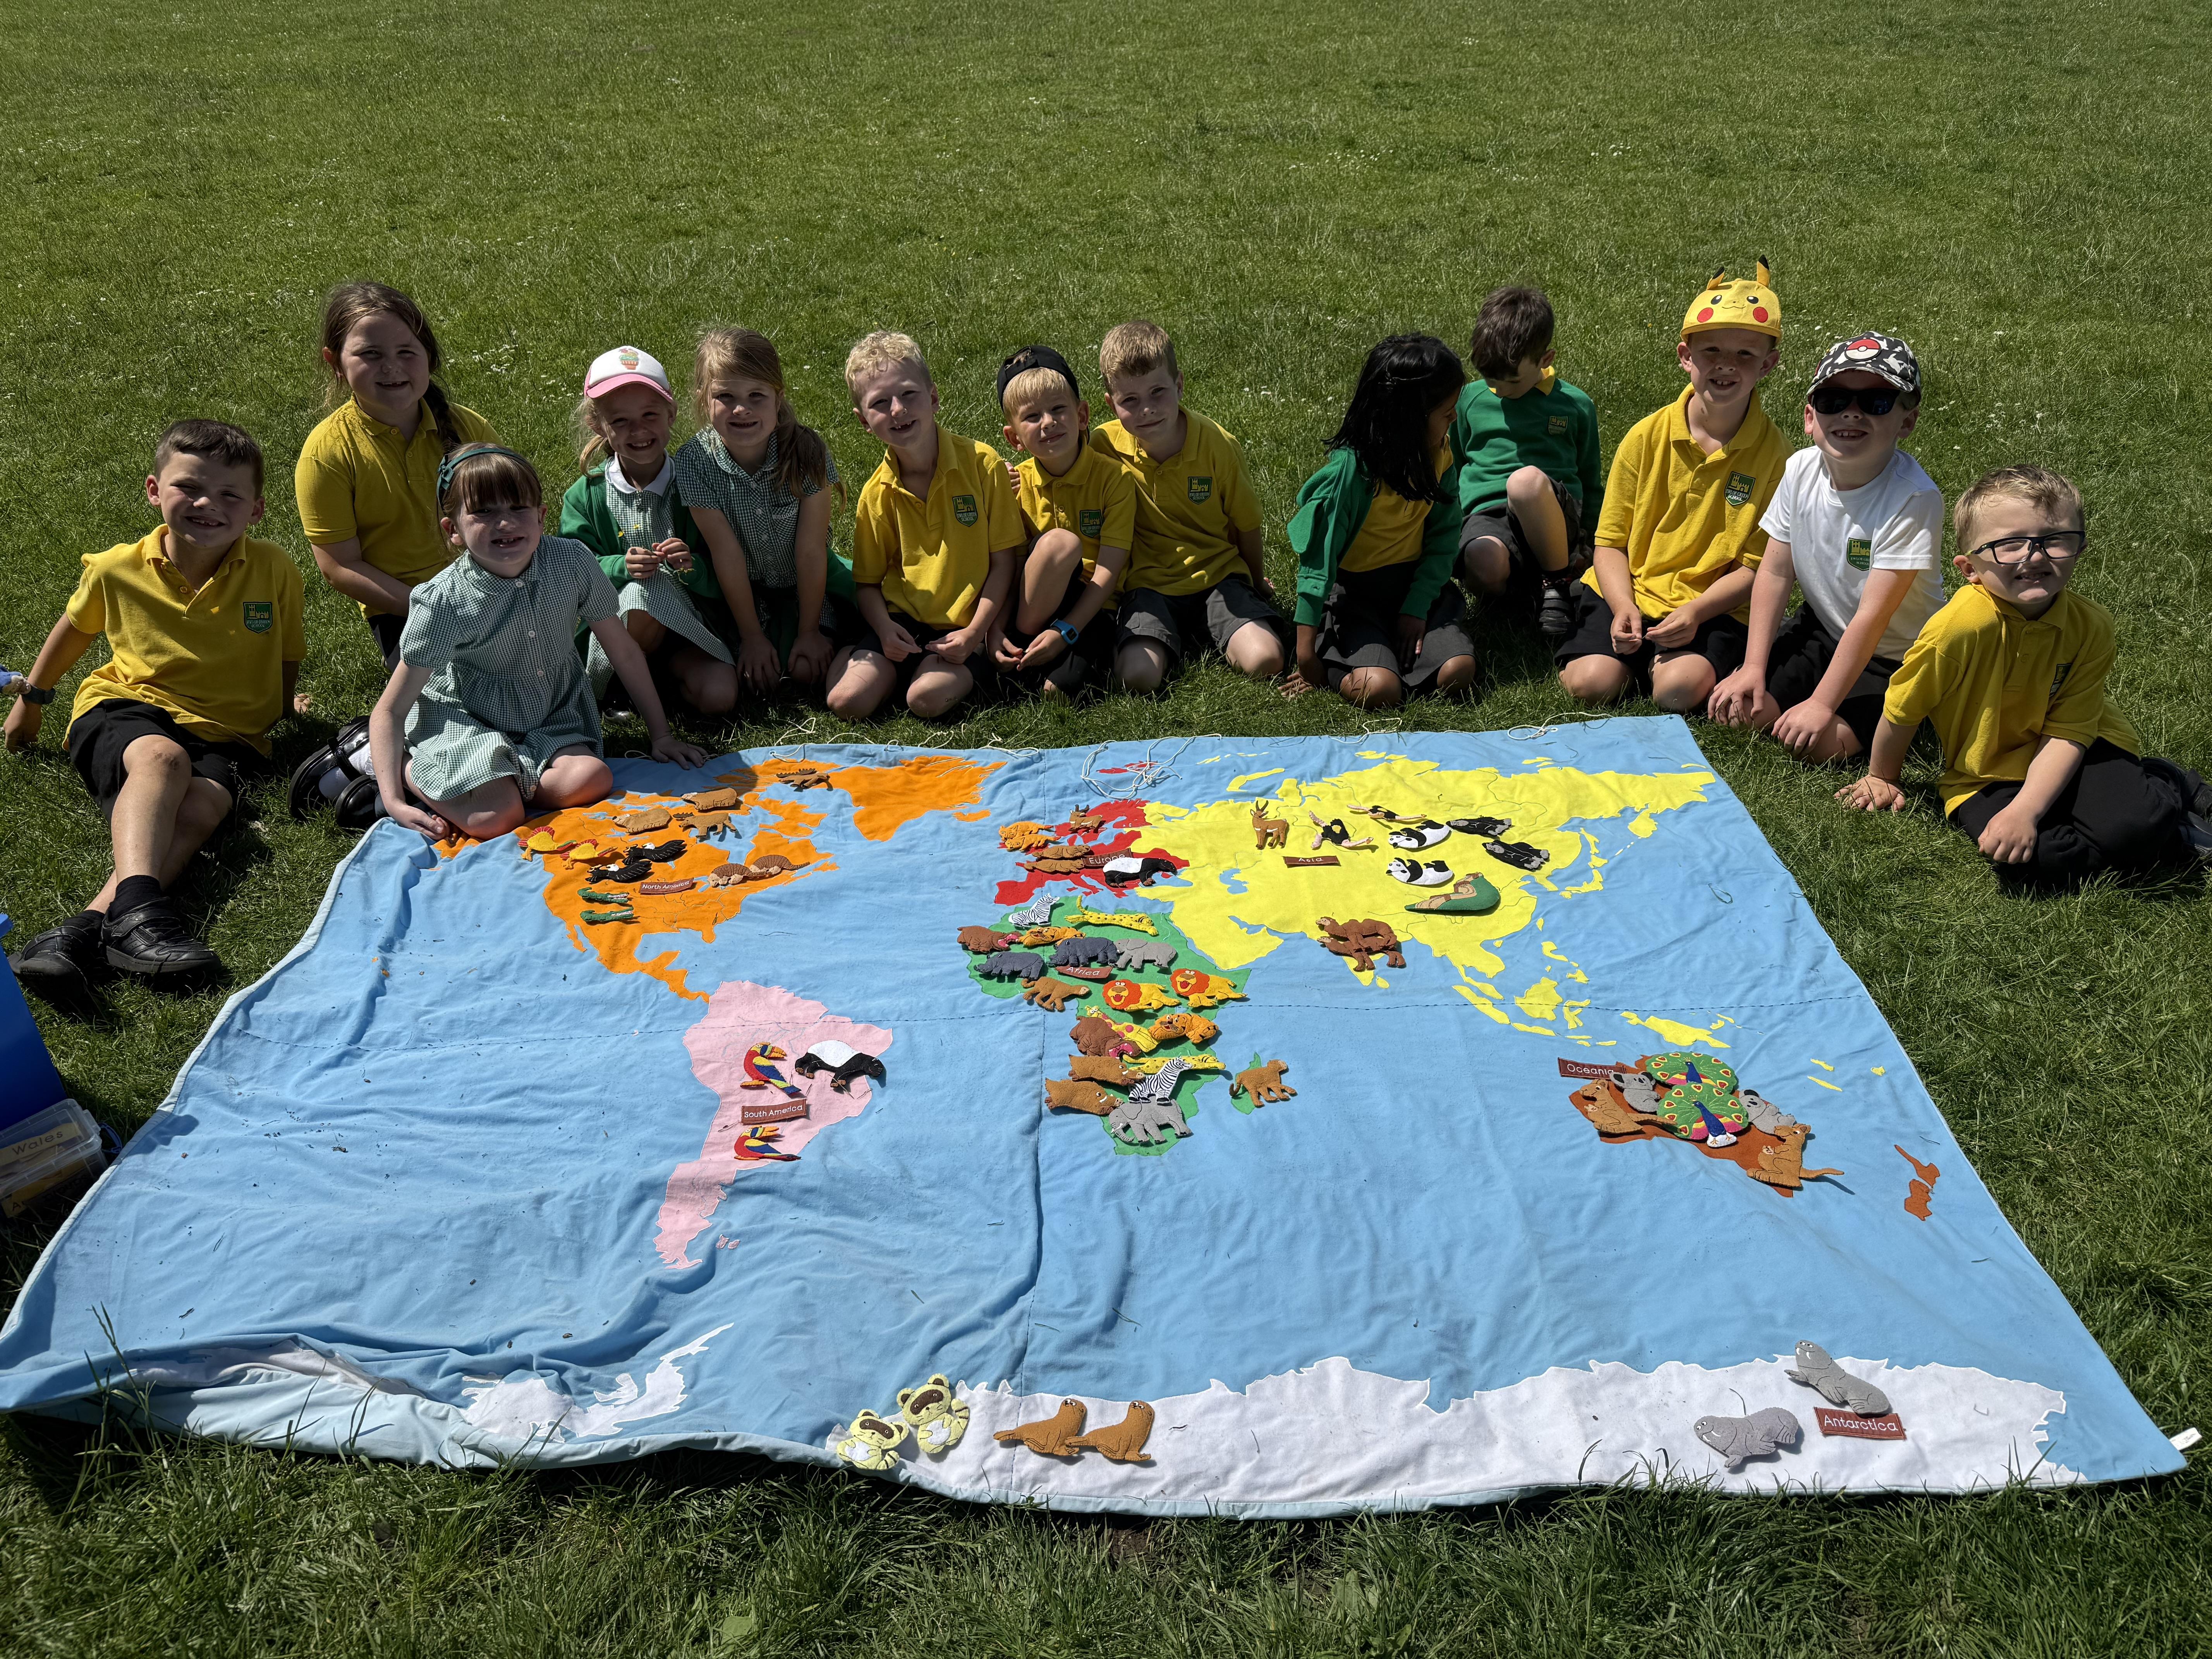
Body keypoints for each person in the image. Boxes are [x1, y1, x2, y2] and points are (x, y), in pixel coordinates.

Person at [4, 422, 305, 994]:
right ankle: (144, 914)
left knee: (203, 808)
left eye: (229, 495)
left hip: (227, 733)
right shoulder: (116, 568)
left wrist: (285, 705)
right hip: (127, 705)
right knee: (163, 760)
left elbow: (287, 650)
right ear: (153, 490)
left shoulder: (274, 569)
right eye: (189, 487)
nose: (207, 504)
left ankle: (82, 931)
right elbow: (74, 629)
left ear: (257, 510)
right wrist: (33, 700)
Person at [1839, 465, 2210, 889]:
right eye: (2009, 544)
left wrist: (2026, 810)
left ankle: (2169, 783)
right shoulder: (1957, 629)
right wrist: (1883, 776)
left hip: (2082, 748)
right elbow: (1903, 708)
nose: (2034, 556)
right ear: (1969, 568)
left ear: (2080, 548)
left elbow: (2070, 731)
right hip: (1984, 772)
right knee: (2035, 863)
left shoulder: (2091, 626)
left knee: (2133, 829)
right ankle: (2148, 832)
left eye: (2055, 540)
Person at [368, 445, 704, 842]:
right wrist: (394, 799)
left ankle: (506, 779)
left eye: (518, 508)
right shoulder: (443, 600)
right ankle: (406, 765)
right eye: (484, 512)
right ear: (452, 530)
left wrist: (661, 736)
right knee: (496, 819)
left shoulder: (573, 563)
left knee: (593, 778)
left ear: (542, 517)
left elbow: (625, 651)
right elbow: (390, 709)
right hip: (470, 720)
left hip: (551, 715)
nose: (505, 523)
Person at [1557, 261, 1789, 712]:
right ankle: (1626, 657)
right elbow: (1610, 544)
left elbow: (1756, 569)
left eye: (1746, 354)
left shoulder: (1778, 458)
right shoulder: (1646, 436)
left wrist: (1697, 613)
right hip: (1629, 590)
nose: (1726, 365)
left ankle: (1658, 666)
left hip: (1712, 607)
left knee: (1677, 691)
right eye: (1711, 350)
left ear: (1768, 364)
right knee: (1591, 684)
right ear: (1686, 356)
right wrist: (1623, 606)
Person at [1709, 333, 1945, 762]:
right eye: (1833, 400)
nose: (1851, 412)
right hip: (1821, 629)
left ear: (1906, 422)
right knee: (1739, 712)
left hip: (1895, 656)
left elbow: (1874, 616)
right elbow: (1776, 572)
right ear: (1810, 417)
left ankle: (1921, 709)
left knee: (1817, 746)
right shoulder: (1800, 469)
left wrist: (1821, 704)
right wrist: (1753, 667)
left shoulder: (1914, 498)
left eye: (1876, 402)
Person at [295, 282, 496, 668]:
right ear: (335, 363)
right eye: (370, 354)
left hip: (490, 580)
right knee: (451, 689)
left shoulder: (469, 428)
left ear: (429, 357)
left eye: (407, 352)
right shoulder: (327, 453)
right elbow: (340, 566)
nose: (391, 367)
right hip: (401, 606)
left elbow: (514, 511)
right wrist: (432, 607)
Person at [827, 331, 1022, 720]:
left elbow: (1005, 563)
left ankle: (922, 674)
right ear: (864, 421)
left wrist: (975, 633)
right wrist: (885, 630)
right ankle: (860, 655)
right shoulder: (876, 494)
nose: (898, 410)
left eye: (908, 394)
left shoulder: (982, 465)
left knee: (925, 700)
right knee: (845, 702)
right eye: (880, 403)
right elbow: (867, 585)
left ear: (933, 398)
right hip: (902, 624)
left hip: (966, 625)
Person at [1090, 320, 1286, 692]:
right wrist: (1012, 476)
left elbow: (1246, 523)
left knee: (1266, 660)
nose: (1147, 410)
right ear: (1111, 404)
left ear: (1179, 385)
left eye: (1158, 392)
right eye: (1130, 400)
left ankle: (1216, 626)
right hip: (1148, 584)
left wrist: (1257, 581)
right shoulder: (1103, 445)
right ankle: (1160, 636)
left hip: (1217, 576)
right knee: (1137, 678)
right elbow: (1061, 470)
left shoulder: (1217, 444)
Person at [1284, 335, 1478, 708]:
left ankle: (1395, 654)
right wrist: (1307, 658)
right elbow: (1317, 565)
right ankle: (1358, 661)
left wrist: (1416, 607)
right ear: (1410, 418)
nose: (1455, 418)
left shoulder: (1440, 455)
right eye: (1447, 412)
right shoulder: (1349, 475)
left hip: (1416, 588)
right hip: (1356, 599)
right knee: (1379, 690)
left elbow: (1443, 537)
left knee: (1458, 671)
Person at [671, 326, 848, 700]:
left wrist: (809, 632)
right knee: (757, 680)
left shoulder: (807, 452)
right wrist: (751, 636)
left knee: (806, 670)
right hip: (740, 594)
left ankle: (825, 634)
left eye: (757, 395)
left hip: (804, 587)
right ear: (704, 398)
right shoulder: (694, 462)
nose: (742, 409)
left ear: (778, 398)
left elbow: (812, 551)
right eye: (726, 396)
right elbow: (726, 554)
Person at [558, 344, 736, 714]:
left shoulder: (696, 483)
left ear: (671, 413)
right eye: (620, 421)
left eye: (650, 415)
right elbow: (570, 570)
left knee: (719, 696)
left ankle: (660, 681)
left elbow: (730, 563)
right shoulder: (585, 495)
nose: (638, 430)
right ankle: (621, 683)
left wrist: (692, 566)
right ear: (598, 425)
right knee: (643, 594)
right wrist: (620, 566)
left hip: (691, 628)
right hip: (621, 631)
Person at [1450, 287, 1605, 639]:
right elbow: (1457, 466)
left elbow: (1590, 478)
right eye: (1490, 379)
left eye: (1512, 381)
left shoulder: (1575, 405)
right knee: (1483, 562)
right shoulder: (1469, 400)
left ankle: (1557, 583)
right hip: (1488, 514)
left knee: (1525, 483)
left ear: (1546, 359)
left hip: (1552, 513)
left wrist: (1595, 544)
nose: (1500, 389)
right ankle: (1528, 593)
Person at [990, 345, 1132, 698]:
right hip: (1032, 603)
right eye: (1032, 417)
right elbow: (1011, 565)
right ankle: (1021, 644)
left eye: (1058, 409)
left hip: (1094, 606)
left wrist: (1066, 632)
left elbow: (1108, 572)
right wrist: (996, 629)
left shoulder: (1115, 479)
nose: (1048, 422)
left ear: (1082, 415)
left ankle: (1041, 657)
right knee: (1058, 544)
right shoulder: (1015, 485)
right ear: (1014, 438)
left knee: (1056, 691)